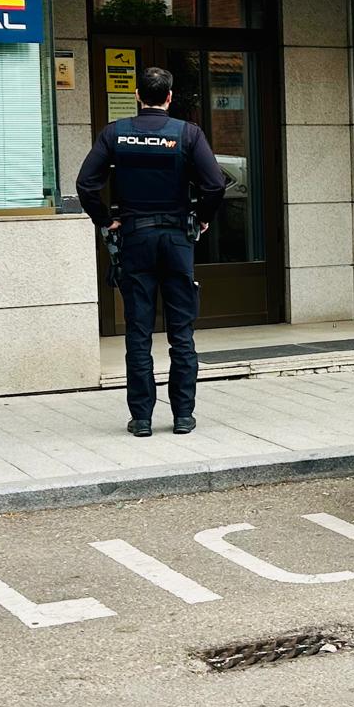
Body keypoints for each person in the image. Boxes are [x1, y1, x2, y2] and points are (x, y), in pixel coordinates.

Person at [76, 66, 226, 437]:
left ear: (138, 97)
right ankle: (183, 416)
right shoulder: (187, 134)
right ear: (169, 97)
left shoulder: (115, 133)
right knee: (181, 333)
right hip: (176, 241)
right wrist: (203, 219)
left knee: (138, 332)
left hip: (135, 240)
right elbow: (214, 184)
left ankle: (142, 418)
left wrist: (104, 220)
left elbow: (85, 184)